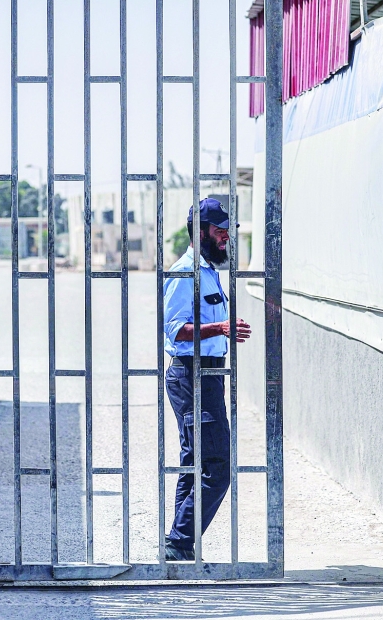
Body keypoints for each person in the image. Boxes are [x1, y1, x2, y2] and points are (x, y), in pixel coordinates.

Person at [162, 197, 251, 562]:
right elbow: (173, 329)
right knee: (217, 465)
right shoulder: (186, 272)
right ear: (200, 233)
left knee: (196, 460)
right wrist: (221, 327)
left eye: (228, 231)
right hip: (192, 375)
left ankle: (178, 546)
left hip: (208, 375)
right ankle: (180, 542)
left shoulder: (209, 271)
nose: (226, 237)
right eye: (219, 231)